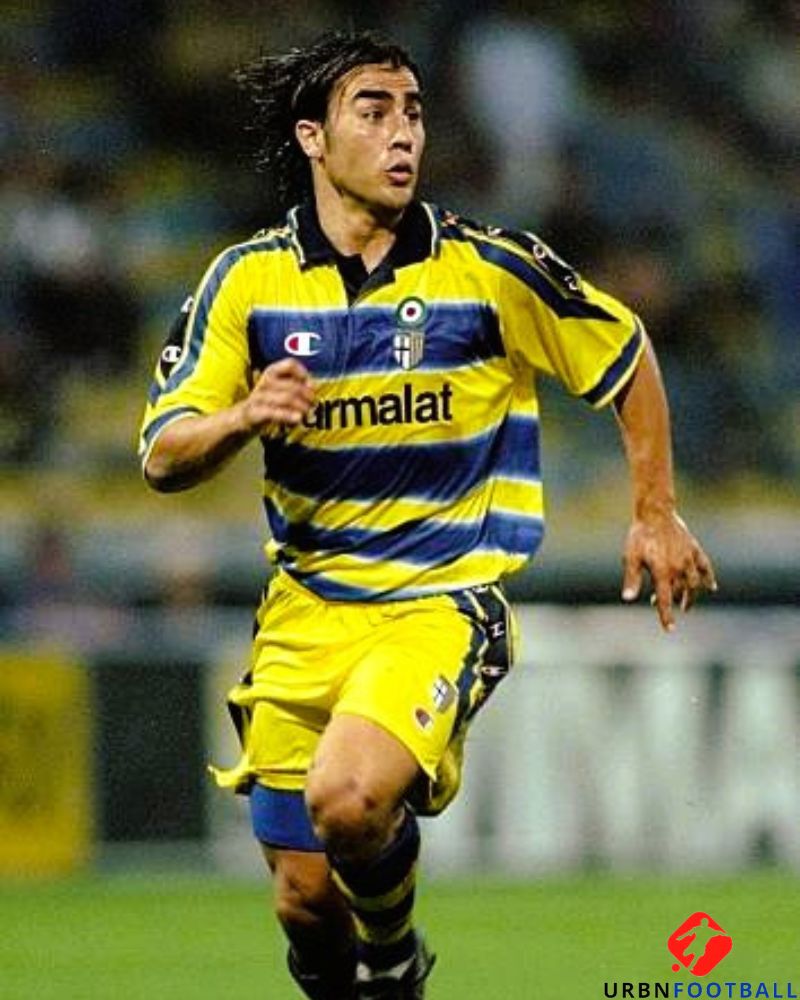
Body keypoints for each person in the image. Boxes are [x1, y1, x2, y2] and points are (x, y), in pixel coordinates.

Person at [138, 30, 717, 1000]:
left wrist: (654, 512)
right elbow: (162, 453)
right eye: (374, 112)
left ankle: (396, 956)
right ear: (314, 138)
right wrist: (240, 417)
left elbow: (623, 352)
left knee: (347, 797)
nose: (403, 132)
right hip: (304, 614)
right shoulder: (245, 281)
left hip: (438, 601)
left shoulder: (486, 269)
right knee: (302, 899)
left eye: (412, 112)